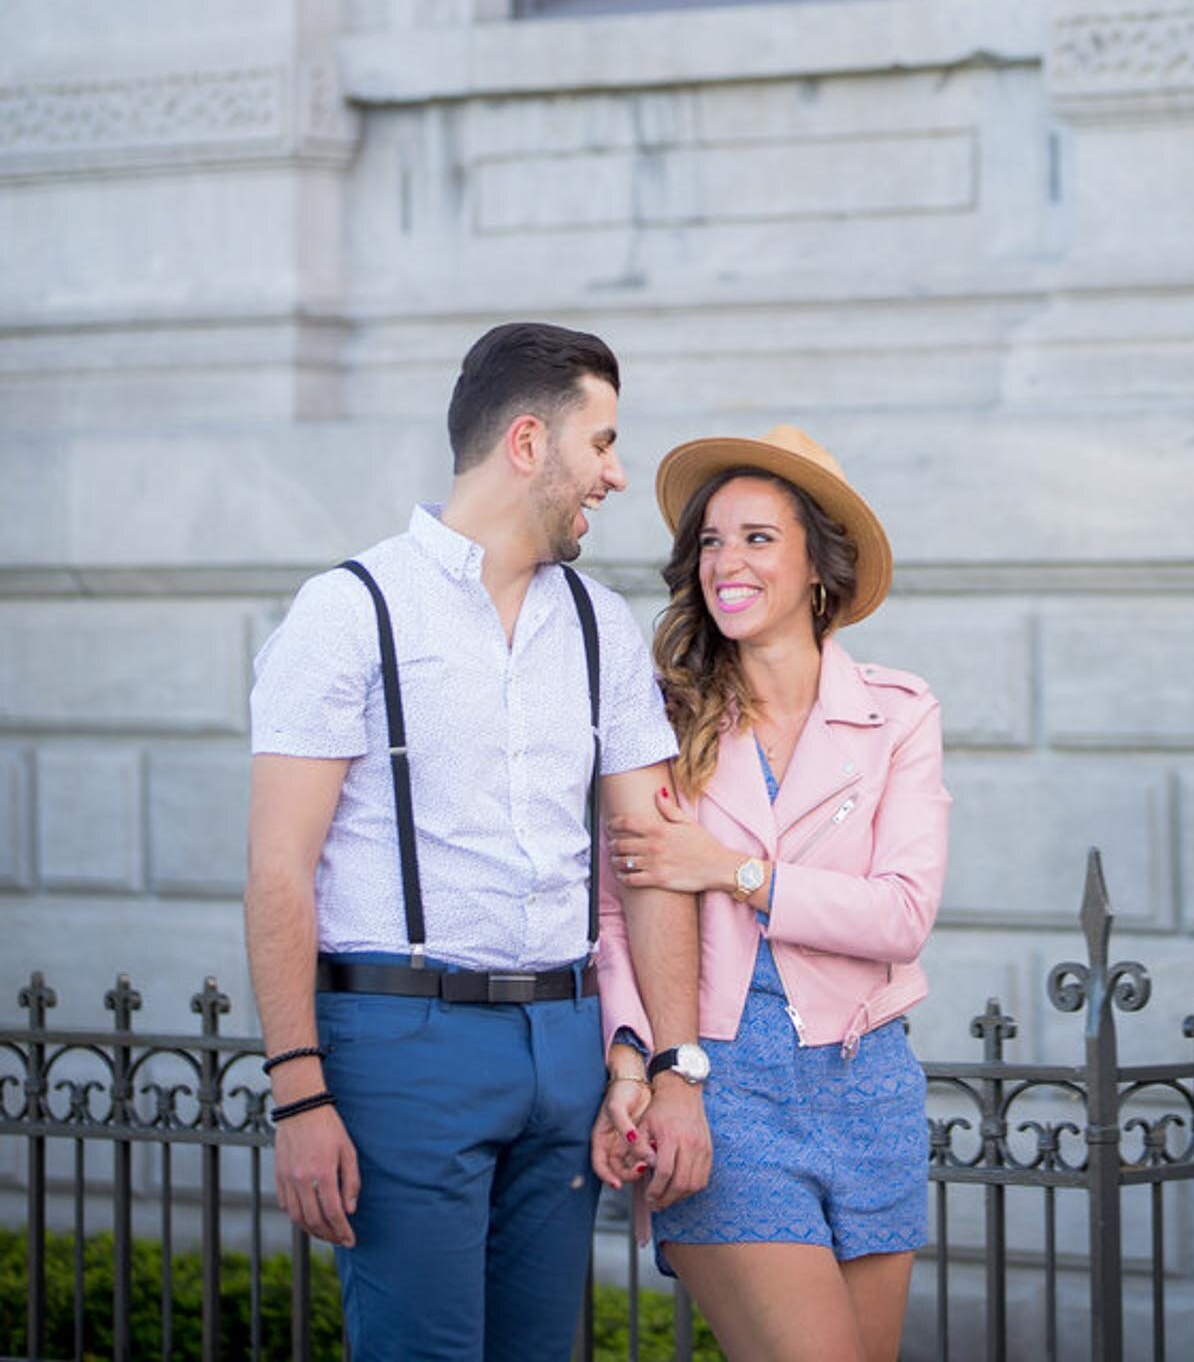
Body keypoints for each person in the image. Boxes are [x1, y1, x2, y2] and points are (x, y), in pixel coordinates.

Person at [244, 322, 713, 1362]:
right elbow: (279, 869)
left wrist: (673, 1067)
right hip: (405, 1041)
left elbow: (646, 854)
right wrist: (299, 1092)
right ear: (530, 442)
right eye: (602, 444)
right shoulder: (348, 610)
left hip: (566, 1045)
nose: (617, 475)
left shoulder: (599, 624)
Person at [594, 424, 949, 1362]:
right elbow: (614, 914)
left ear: (818, 567)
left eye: (757, 538)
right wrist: (638, 1062)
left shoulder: (900, 717)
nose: (726, 562)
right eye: (711, 540)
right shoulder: (658, 719)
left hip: (869, 1083)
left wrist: (732, 871)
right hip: (720, 1085)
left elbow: (903, 915)